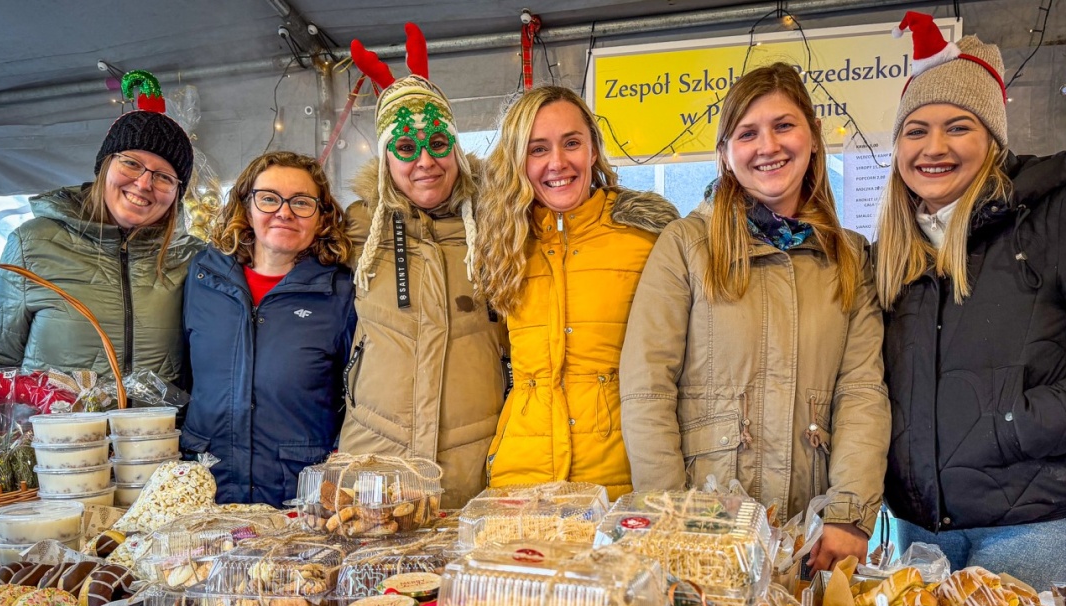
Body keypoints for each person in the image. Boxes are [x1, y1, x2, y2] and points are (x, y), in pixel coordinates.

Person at [877, 12, 1066, 588]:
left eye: (958, 127)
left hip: (1042, 524)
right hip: (919, 534)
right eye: (915, 130)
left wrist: (1019, 423)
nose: (934, 148)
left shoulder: (1063, 217)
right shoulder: (895, 253)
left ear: (994, 138)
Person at [619, 63, 890, 572]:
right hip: (702, 526)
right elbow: (647, 387)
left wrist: (850, 511)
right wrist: (668, 515)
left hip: (809, 532)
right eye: (748, 133)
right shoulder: (685, 246)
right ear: (725, 154)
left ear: (811, 136)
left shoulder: (850, 259)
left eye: (784, 126)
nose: (768, 146)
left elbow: (862, 391)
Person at [478, 86, 679, 499]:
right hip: (520, 480)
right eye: (538, 149)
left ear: (592, 149)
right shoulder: (501, 242)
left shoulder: (646, 238)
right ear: (518, 159)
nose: (558, 162)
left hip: (618, 478)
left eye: (571, 143)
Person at [339, 26, 506, 509]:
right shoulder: (357, 229)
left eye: (437, 142)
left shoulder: (498, 227)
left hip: (474, 467)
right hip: (374, 466)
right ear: (387, 158)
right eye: (407, 148)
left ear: (454, 147)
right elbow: (278, 232)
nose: (425, 162)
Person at [0, 74, 202, 381]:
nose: (144, 183)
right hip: (57, 428)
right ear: (104, 166)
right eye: (131, 163)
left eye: (164, 176)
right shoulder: (32, 243)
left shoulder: (192, 259)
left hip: (158, 429)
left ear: (177, 193)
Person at [180, 152, 355, 507]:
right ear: (247, 207)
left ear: (322, 218)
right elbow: (183, 375)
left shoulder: (340, 293)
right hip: (209, 487)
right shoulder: (203, 278)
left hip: (297, 496)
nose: (284, 212)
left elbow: (354, 398)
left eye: (302, 202)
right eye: (269, 198)